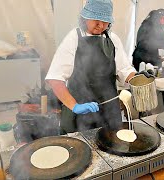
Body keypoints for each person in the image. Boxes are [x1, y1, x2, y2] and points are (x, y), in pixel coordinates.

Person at [46, 0, 140, 133]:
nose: (100, 25)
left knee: (112, 145)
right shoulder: (74, 38)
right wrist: (75, 106)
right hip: (79, 110)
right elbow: (55, 78)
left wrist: (139, 78)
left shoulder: (113, 39)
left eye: (105, 21)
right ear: (85, 18)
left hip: (109, 112)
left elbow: (124, 70)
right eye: (96, 19)